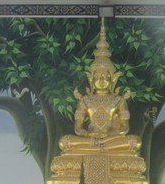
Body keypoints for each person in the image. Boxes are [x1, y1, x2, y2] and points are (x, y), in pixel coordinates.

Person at [59, 19, 140, 155]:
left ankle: (99, 147)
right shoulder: (85, 100)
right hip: (90, 139)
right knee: (65, 141)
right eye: (98, 77)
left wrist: (109, 136)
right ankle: (100, 147)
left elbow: (124, 128)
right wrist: (88, 135)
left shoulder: (119, 100)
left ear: (112, 79)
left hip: (110, 139)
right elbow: (78, 128)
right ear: (91, 79)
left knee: (134, 141)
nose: (101, 80)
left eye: (105, 77)